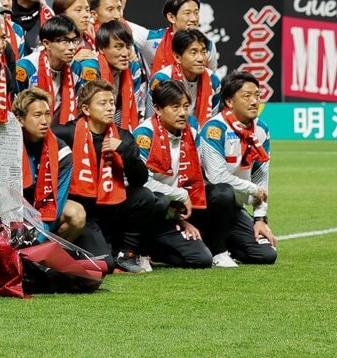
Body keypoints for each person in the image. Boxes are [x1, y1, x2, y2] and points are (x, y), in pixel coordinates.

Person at [66, 79, 163, 274]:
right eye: (102, 103)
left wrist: (124, 151)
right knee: (105, 266)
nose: (110, 108)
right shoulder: (68, 133)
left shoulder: (123, 137)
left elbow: (139, 179)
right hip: (84, 212)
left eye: (111, 102)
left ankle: (126, 255)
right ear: (85, 109)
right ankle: (71, 252)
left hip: (113, 207)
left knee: (145, 196)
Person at [197, 72, 278, 265]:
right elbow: (217, 178)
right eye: (246, 96)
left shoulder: (261, 130)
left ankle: (221, 241)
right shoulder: (215, 129)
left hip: (233, 207)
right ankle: (217, 251)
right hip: (204, 206)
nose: (254, 101)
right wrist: (252, 190)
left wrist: (260, 218)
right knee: (223, 192)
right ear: (229, 101)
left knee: (266, 255)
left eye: (257, 95)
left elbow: (260, 174)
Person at [133, 80, 213, 269]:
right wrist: (181, 195)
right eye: (175, 107)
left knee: (201, 259)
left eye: (186, 106)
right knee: (156, 199)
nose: (183, 113)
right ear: (158, 109)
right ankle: (139, 251)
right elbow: (141, 183)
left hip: (172, 214)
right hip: (144, 213)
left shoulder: (191, 133)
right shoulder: (144, 135)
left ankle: (156, 249)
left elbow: (198, 179)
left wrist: (183, 219)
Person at [13, 87, 81, 241]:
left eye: (47, 114)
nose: (44, 121)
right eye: (37, 115)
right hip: (14, 210)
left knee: (77, 213)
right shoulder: (8, 146)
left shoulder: (62, 152)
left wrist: (36, 241)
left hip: (41, 209)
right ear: (20, 120)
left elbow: (55, 204)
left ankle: (43, 258)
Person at [13, 13, 80, 142]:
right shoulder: (26, 68)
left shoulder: (76, 68)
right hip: (25, 135)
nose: (72, 47)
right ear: (46, 44)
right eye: (65, 41)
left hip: (59, 136)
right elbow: (14, 111)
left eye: (74, 41)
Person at [149, 29, 221, 123]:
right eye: (193, 52)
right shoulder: (162, 80)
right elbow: (152, 118)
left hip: (199, 134)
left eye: (203, 52)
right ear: (177, 57)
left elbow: (212, 121)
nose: (201, 59)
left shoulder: (213, 81)